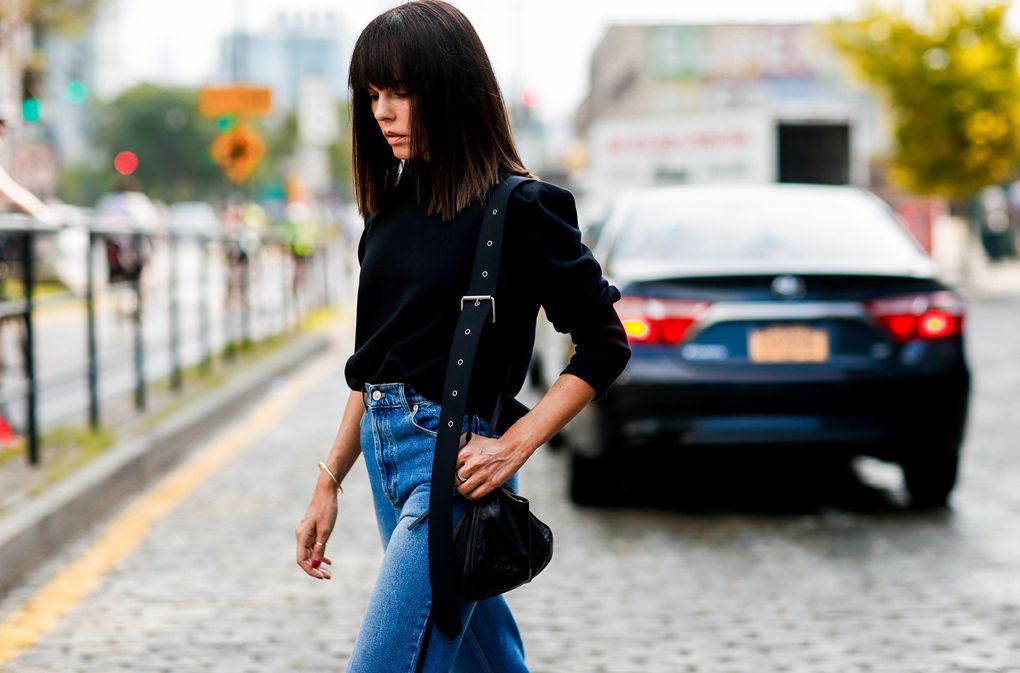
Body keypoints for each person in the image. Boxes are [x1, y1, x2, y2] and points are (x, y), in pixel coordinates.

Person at [294, 3, 631, 672]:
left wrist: (514, 444)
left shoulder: (522, 208)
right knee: (487, 663)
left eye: (401, 91)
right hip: (387, 462)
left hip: (450, 466)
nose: (383, 112)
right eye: (372, 95)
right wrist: (328, 479)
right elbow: (373, 367)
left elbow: (604, 342)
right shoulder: (386, 214)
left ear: (451, 88)